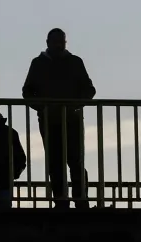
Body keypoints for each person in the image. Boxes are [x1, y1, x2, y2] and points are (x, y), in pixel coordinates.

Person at [22, 28, 96, 209]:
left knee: (75, 160)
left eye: (61, 41)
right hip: (49, 119)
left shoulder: (75, 62)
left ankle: (80, 200)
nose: (58, 44)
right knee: (55, 161)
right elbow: (27, 92)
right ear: (47, 42)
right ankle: (61, 200)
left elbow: (89, 89)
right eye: (55, 41)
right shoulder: (38, 63)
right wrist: (44, 107)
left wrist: (74, 105)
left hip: (72, 118)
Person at [0, 108, 27, 208]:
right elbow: (21, 159)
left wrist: (12, 174)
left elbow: (20, 159)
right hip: (1, 182)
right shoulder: (9, 132)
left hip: (0, 183)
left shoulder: (9, 132)